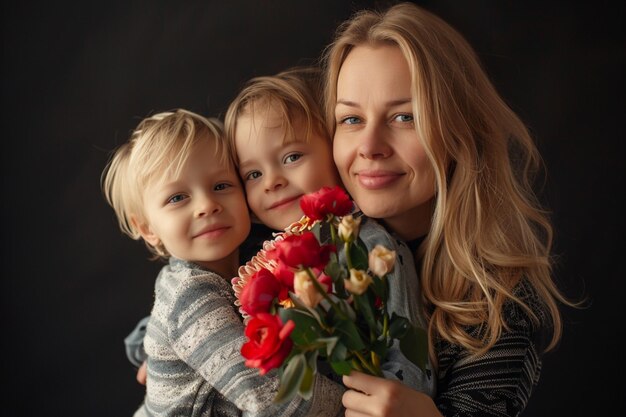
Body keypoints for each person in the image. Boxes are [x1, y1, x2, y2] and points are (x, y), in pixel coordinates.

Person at [322, 2, 574, 416]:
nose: (369, 146)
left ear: (461, 131)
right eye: (351, 119)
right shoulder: (296, 256)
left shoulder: (501, 307)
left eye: (405, 117)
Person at [102, 109, 343, 416]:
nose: (207, 206)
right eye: (177, 198)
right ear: (148, 228)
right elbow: (268, 397)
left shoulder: (253, 257)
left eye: (221, 186)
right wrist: (353, 404)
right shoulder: (189, 293)